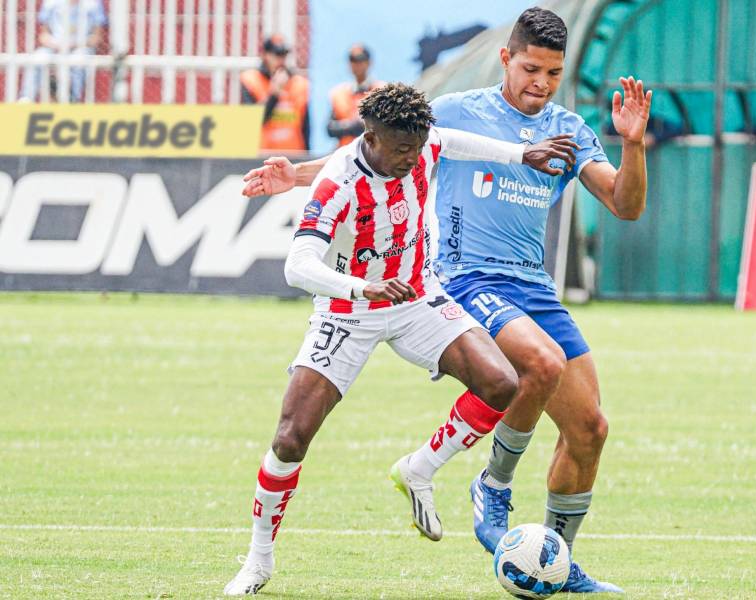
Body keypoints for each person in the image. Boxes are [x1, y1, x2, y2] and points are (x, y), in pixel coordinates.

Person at [241, 8, 651, 594]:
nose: (540, 82)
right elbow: (371, 152)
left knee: (589, 429)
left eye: (553, 73)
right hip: (465, 279)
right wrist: (296, 176)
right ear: (507, 58)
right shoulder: (457, 109)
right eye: (531, 67)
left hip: (532, 286)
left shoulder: (570, 128)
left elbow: (627, 205)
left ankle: (552, 566)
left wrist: (632, 144)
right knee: (538, 365)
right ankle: (493, 484)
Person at [224, 82, 582, 596]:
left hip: (417, 298)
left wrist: (521, 154)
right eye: (399, 149)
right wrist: (361, 286)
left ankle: (420, 468)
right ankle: (258, 561)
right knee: (290, 438)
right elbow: (297, 266)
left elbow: (455, 142)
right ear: (370, 136)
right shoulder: (336, 182)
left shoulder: (422, 144)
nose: (410, 158)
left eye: (416, 147)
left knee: (503, 383)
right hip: (348, 310)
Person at [19, 0, 106, 102]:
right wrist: (55, 45)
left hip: (82, 46)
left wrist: (74, 44)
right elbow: (43, 35)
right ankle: (26, 98)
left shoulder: (93, 4)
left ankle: (72, 98)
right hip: (54, 47)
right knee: (38, 58)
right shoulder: (51, 3)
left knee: (78, 61)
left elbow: (96, 37)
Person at [241, 35, 310, 151]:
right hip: (262, 155)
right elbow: (252, 122)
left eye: (283, 55)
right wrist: (274, 93)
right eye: (276, 55)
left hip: (293, 154)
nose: (281, 60)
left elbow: (305, 126)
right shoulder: (251, 80)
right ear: (265, 55)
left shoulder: (299, 83)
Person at [326, 44, 384, 147]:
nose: (357, 64)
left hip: (373, 154)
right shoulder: (339, 93)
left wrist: (353, 126)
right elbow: (330, 129)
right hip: (345, 154)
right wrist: (354, 126)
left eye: (360, 59)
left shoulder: (381, 91)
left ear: (369, 62)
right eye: (352, 60)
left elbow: (382, 125)